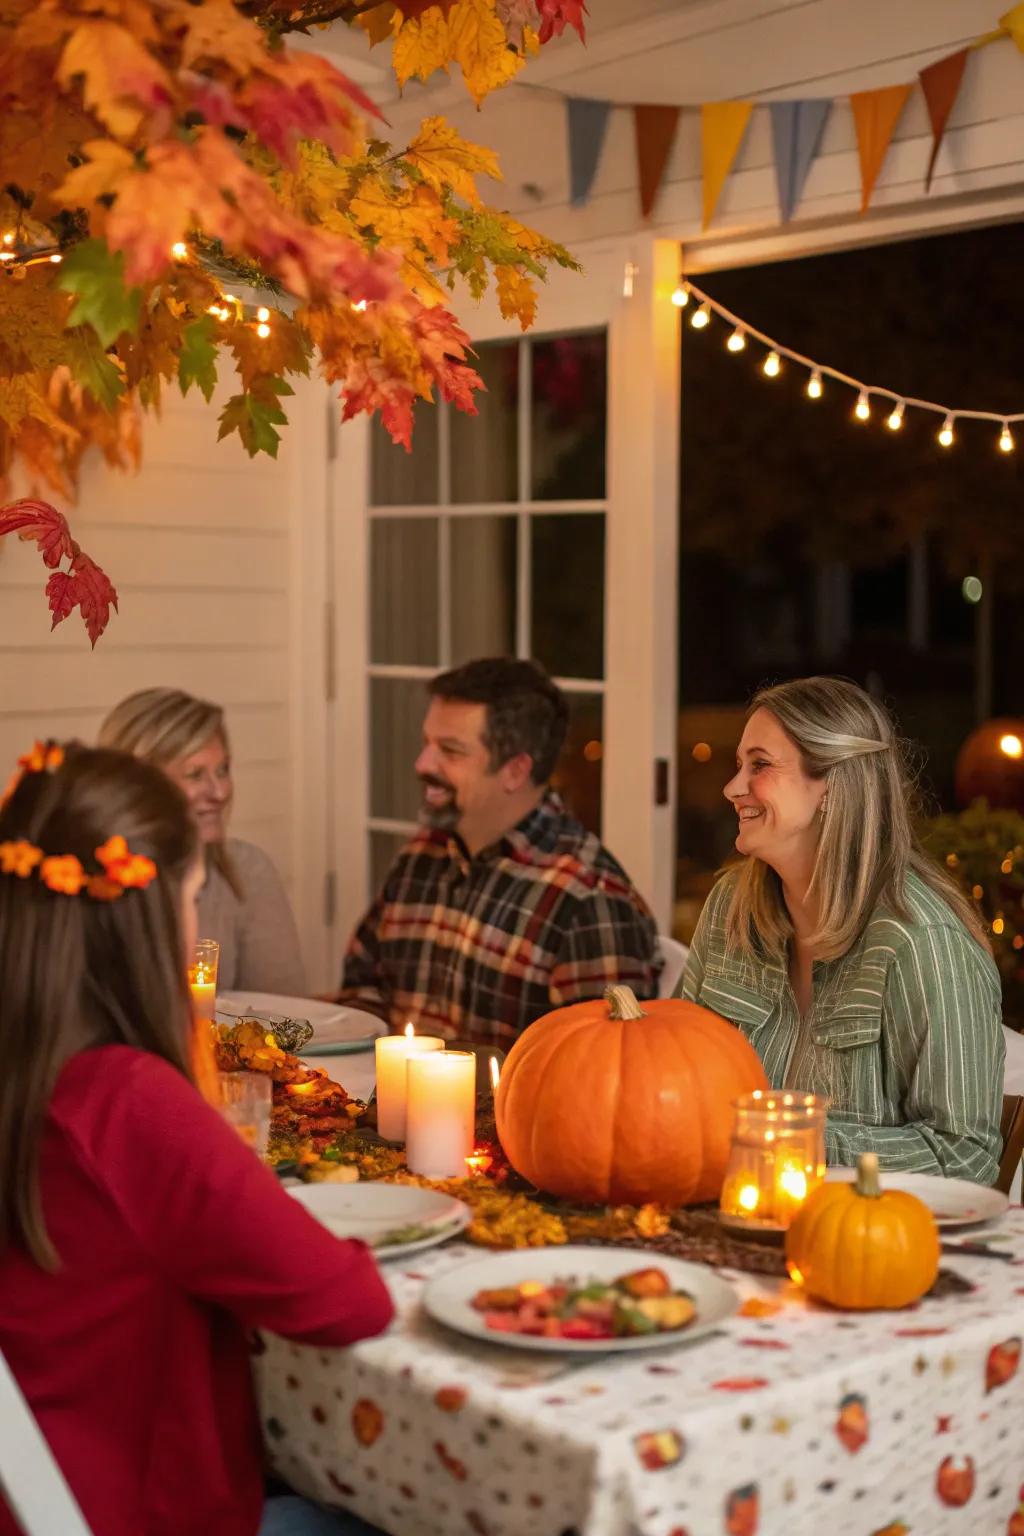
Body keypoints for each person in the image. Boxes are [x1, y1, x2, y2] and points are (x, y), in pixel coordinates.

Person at [0, 741, 393, 1536]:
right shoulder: (131, 1105)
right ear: (146, 924)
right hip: (135, 1512)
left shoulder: (30, 1075)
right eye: (190, 898)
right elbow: (348, 1303)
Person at [678, 676, 1004, 1183]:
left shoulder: (925, 943)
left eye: (759, 765)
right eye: (739, 764)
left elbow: (964, 1156)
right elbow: (672, 1071)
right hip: (724, 1215)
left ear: (831, 786)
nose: (732, 787)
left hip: (867, 1242)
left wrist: (785, 1137)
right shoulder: (729, 910)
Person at [339, 658, 660, 1046]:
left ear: (515, 770)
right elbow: (362, 988)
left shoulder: (588, 899)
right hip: (388, 1101)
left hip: (507, 1107)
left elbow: (603, 1067)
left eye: (450, 751)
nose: (422, 764)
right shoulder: (422, 855)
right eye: (426, 743)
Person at [99, 687, 306, 994]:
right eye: (195, 775)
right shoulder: (81, 883)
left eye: (222, 770)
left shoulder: (247, 871)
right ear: (138, 783)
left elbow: (286, 1014)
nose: (219, 792)